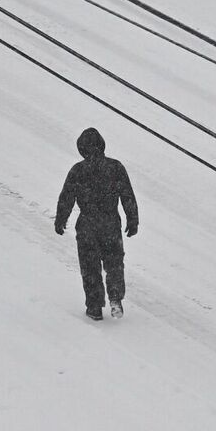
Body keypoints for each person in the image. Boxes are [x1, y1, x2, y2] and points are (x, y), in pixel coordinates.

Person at [55, 128, 138, 321]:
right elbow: (127, 195)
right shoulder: (115, 167)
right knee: (114, 263)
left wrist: (61, 219)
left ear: (82, 149)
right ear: (101, 145)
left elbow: (66, 197)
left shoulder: (78, 170)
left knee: (90, 267)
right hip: (110, 223)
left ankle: (94, 307)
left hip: (87, 225)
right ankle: (115, 297)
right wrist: (132, 220)